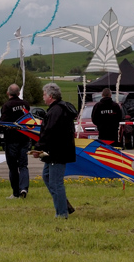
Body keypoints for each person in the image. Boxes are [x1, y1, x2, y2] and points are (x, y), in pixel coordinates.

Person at [31, 83, 77, 218]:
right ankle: (64, 204)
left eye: (44, 94)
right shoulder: (58, 109)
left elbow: (49, 132)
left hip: (57, 152)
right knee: (47, 177)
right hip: (55, 152)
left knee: (56, 183)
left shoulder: (56, 111)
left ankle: (61, 213)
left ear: (50, 96)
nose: (43, 97)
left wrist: (38, 148)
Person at [0, 84, 31, 199]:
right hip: (24, 138)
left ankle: (16, 193)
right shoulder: (25, 104)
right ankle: (24, 188)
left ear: (8, 93)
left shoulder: (7, 105)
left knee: (13, 167)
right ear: (19, 93)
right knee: (23, 165)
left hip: (11, 139)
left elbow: (2, 122)